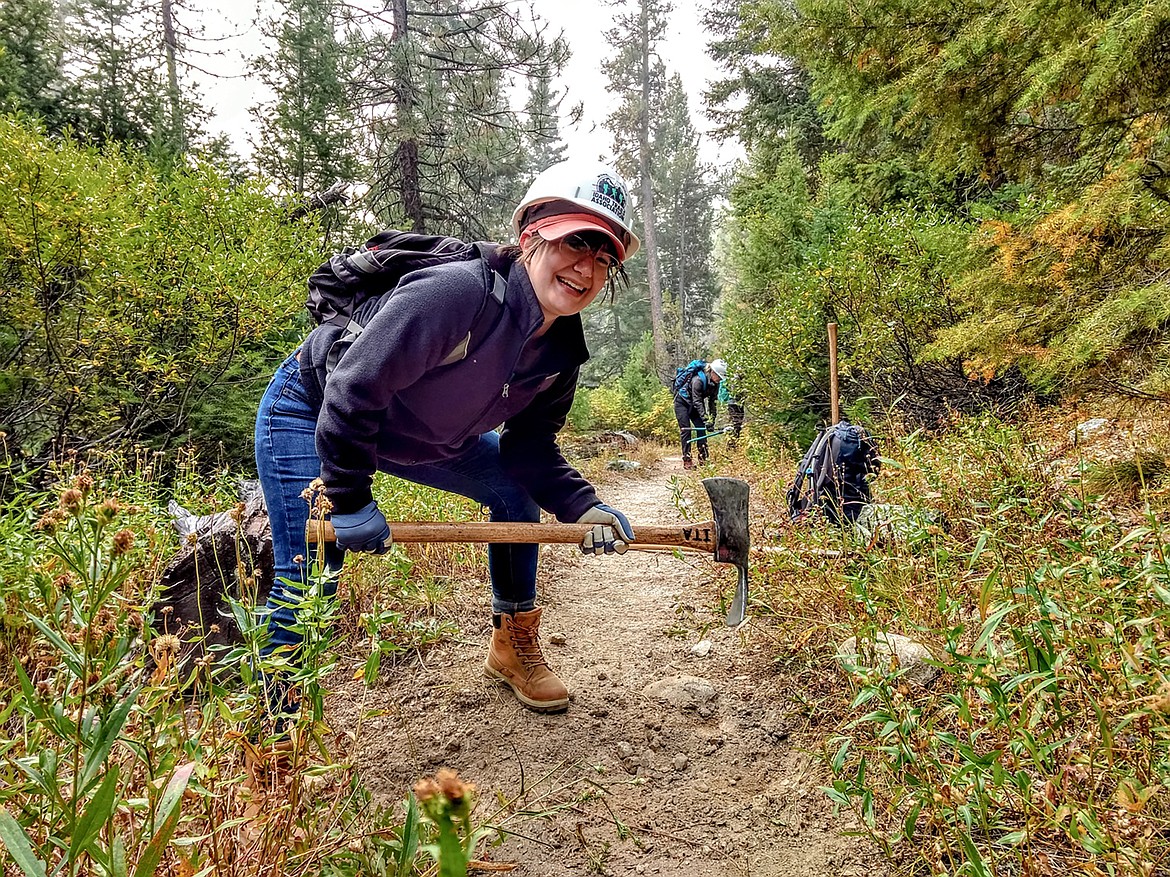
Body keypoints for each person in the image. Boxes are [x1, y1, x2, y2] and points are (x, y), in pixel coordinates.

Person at [254, 159, 640, 716]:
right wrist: (351, 497)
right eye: (575, 243)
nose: (588, 267)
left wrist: (582, 506)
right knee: (311, 572)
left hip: (418, 434)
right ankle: (273, 743)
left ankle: (513, 643)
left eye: (605, 258)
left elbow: (528, 448)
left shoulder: (561, 353)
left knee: (513, 491)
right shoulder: (457, 294)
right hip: (314, 410)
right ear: (530, 235)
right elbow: (352, 391)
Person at [674, 358, 726, 469]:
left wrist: (711, 420)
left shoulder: (715, 384)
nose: (720, 380)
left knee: (701, 428)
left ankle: (704, 459)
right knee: (686, 429)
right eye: (719, 377)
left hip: (695, 405)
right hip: (682, 403)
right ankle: (687, 460)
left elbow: (713, 402)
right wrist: (705, 418)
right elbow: (697, 401)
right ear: (712, 372)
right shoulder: (698, 380)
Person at [717, 371, 745, 446]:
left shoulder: (733, 374)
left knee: (736, 424)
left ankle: (733, 444)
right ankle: (732, 445)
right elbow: (734, 393)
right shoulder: (734, 376)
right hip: (733, 403)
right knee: (735, 424)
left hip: (736, 403)